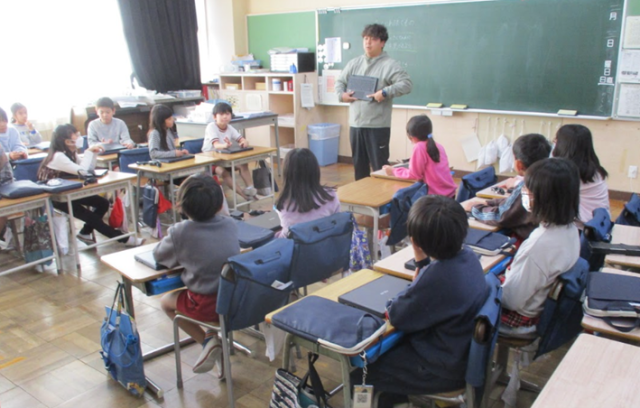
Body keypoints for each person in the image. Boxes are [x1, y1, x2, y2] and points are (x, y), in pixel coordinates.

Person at [350, 195, 488, 407]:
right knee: (391, 354)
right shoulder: (468, 257)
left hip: (440, 369)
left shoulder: (438, 277)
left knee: (359, 376)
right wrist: (422, 263)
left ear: (417, 242)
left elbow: (397, 315)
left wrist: (419, 267)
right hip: (459, 354)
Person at [155, 174, 240, 376]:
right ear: (219, 203)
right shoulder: (230, 224)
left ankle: (208, 343)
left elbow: (160, 256)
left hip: (206, 305)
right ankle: (212, 337)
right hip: (235, 301)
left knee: (166, 302)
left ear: (182, 204)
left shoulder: (180, 232)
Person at [500, 158, 580, 335]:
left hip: (520, 319)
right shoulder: (570, 229)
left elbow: (510, 300)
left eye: (527, 190)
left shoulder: (539, 245)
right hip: (541, 307)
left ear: (543, 199)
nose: (524, 193)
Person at [37, 124, 144, 247]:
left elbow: (88, 169)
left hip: (70, 191)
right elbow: (83, 171)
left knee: (103, 203)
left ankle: (85, 233)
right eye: (75, 135)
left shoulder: (70, 153)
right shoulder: (58, 156)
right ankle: (125, 239)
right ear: (67, 141)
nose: (79, 136)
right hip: (57, 196)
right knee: (90, 217)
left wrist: (93, 153)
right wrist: (88, 152)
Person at [335, 23, 413, 180]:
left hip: (377, 126)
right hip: (356, 125)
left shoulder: (389, 65)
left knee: (380, 168)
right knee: (359, 168)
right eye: (365, 38)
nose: (368, 42)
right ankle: (361, 195)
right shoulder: (354, 63)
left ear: (382, 42)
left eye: (373, 39)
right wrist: (341, 95)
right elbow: (340, 82)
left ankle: (382, 196)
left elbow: (406, 84)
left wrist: (385, 92)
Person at [463, 133, 552, 240]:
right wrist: (489, 202)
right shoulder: (548, 180)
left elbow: (500, 217)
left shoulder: (528, 188)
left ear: (518, 164)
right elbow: (513, 204)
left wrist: (474, 208)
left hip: (527, 240)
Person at [382, 114, 456, 197]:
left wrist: (393, 171)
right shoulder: (438, 146)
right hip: (450, 194)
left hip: (436, 198)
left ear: (411, 136)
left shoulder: (419, 147)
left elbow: (414, 175)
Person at [551, 124, 609, 227]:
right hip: (600, 224)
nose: (554, 142)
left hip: (583, 228)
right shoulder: (593, 169)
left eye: (557, 140)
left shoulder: (569, 174)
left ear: (564, 145)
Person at [274, 148, 340, 237]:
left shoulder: (283, 204)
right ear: (315, 171)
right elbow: (338, 224)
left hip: (296, 245)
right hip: (326, 243)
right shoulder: (330, 196)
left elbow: (286, 236)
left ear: (287, 174)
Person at [202, 102, 256, 199]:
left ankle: (251, 190)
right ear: (214, 117)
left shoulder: (230, 128)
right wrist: (225, 145)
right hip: (210, 160)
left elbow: (242, 139)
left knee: (243, 164)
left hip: (224, 158)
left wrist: (244, 142)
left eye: (227, 114)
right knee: (224, 173)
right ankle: (243, 195)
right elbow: (216, 145)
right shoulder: (211, 127)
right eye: (221, 114)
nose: (225, 117)